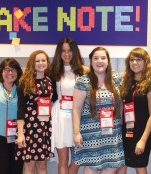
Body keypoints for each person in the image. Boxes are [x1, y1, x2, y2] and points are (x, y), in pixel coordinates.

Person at [72, 47, 125, 174]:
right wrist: (76, 133)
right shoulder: (84, 81)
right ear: (91, 61)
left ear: (108, 61)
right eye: (96, 58)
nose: (99, 61)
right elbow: (76, 109)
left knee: (112, 166)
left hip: (112, 133)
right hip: (91, 134)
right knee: (91, 167)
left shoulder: (115, 78)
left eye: (103, 58)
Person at [49, 37, 89, 174]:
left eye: (70, 51)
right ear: (59, 53)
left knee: (78, 159)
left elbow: (103, 74)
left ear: (75, 52)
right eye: (64, 51)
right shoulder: (53, 71)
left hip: (78, 117)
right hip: (60, 118)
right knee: (63, 161)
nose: (67, 54)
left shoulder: (84, 71)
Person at [117, 48, 151, 174]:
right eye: (132, 60)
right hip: (126, 131)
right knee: (121, 167)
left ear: (146, 62)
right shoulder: (126, 82)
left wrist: (143, 140)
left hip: (141, 133)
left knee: (140, 167)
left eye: (138, 59)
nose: (135, 63)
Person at [16, 50, 57, 174]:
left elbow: (54, 100)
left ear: (47, 62)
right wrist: (20, 134)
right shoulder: (25, 82)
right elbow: (21, 109)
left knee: (43, 166)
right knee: (29, 166)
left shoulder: (50, 81)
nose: (40, 63)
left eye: (43, 60)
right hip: (29, 128)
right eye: (37, 61)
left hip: (45, 127)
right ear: (32, 63)